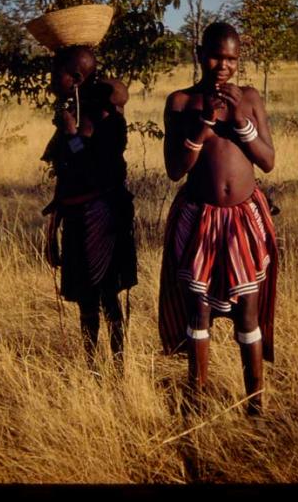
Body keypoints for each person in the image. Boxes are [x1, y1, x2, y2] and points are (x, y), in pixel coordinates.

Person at [158, 22, 278, 415]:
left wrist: (242, 125)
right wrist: (204, 121)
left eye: (231, 59)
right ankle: (197, 399)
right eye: (215, 56)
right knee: (200, 310)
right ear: (198, 52)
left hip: (243, 218)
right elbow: (176, 168)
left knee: (247, 309)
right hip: (199, 217)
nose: (223, 66)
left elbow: (268, 161)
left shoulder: (250, 97)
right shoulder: (180, 101)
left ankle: (255, 404)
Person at [42, 44, 137, 377]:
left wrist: (71, 133)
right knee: (85, 299)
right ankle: (92, 368)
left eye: (58, 74)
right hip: (77, 218)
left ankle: (119, 365)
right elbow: (68, 172)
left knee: (107, 296)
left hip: (102, 217)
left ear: (77, 77)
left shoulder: (105, 118)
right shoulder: (76, 112)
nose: (52, 80)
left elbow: (93, 168)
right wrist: (54, 219)